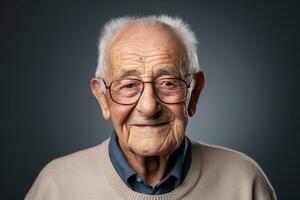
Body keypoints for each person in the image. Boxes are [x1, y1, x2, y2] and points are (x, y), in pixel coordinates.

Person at [25, 15, 276, 200]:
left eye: (168, 83)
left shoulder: (244, 181)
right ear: (103, 98)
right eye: (128, 85)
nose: (148, 106)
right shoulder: (57, 185)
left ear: (194, 93)